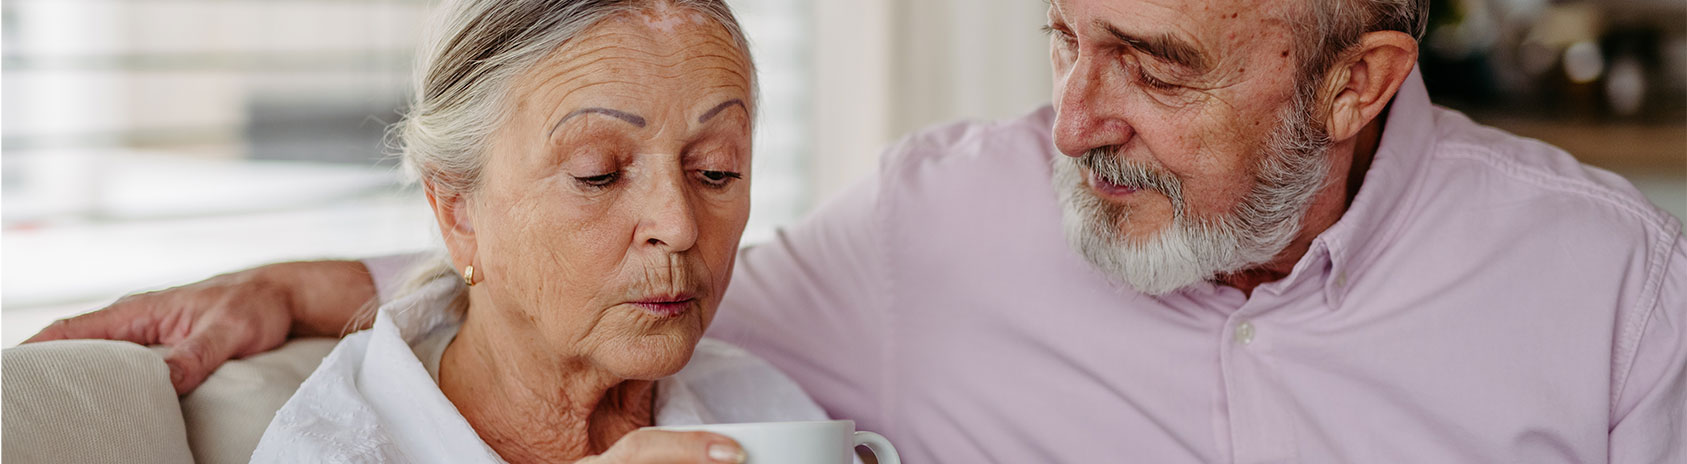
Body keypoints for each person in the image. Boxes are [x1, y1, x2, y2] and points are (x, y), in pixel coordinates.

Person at [31, 0, 1686, 462]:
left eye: (1153, 68)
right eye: (1065, 43)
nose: (1074, 116)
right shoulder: (943, 219)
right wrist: (279, 287)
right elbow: (602, 296)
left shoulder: (1605, 283)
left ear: (1354, 87)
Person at [194, 0, 827, 462]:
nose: (679, 225)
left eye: (717, 171)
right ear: (458, 212)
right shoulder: (337, 450)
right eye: (599, 174)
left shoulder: (760, 404)